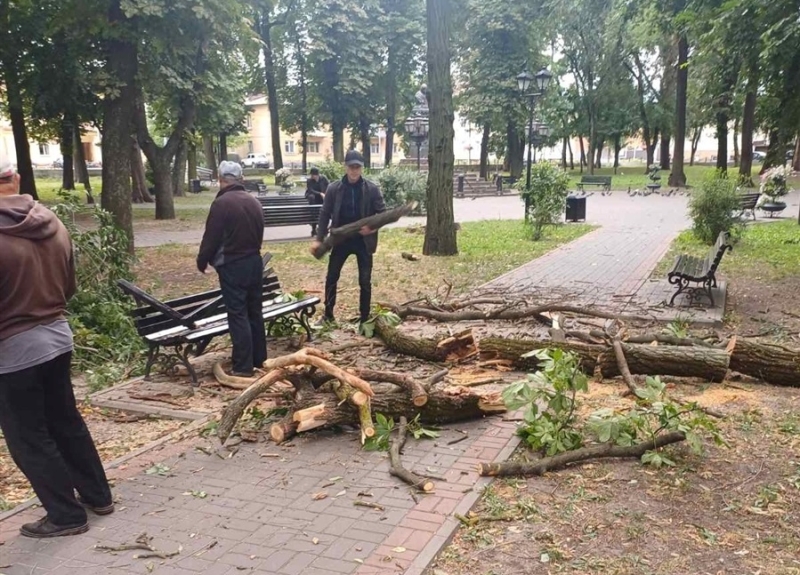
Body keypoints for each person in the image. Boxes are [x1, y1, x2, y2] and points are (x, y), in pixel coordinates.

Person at [0, 157, 114, 538]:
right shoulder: (53, 222)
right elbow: (69, 287)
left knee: (29, 436)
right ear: (15, 178)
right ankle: (98, 495)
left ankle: (65, 515)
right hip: (58, 336)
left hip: (14, 350)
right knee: (66, 421)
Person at [197, 161, 267, 376]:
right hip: (255, 262)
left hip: (232, 264)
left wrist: (202, 260)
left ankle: (243, 366)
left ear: (220, 180)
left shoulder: (222, 204)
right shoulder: (254, 202)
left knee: (237, 313)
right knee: (254, 311)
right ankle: (259, 359)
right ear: (241, 179)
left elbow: (211, 237)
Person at [310, 150, 386, 328]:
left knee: (365, 280)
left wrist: (372, 227)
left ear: (362, 168)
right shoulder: (334, 188)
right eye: (351, 167)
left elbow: (383, 213)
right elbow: (324, 214)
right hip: (340, 239)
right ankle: (328, 315)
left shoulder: (372, 189)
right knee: (332, 277)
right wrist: (319, 239)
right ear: (345, 167)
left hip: (363, 241)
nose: (354, 170)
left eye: (357, 167)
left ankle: (364, 318)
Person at [305, 167, 328, 237]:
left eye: (313, 175)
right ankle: (314, 229)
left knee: (323, 212)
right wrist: (320, 193)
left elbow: (328, 186)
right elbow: (310, 190)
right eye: (311, 175)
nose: (312, 177)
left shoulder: (323, 179)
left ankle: (323, 229)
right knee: (314, 211)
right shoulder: (309, 181)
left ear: (317, 175)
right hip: (313, 197)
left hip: (322, 198)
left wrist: (326, 193)